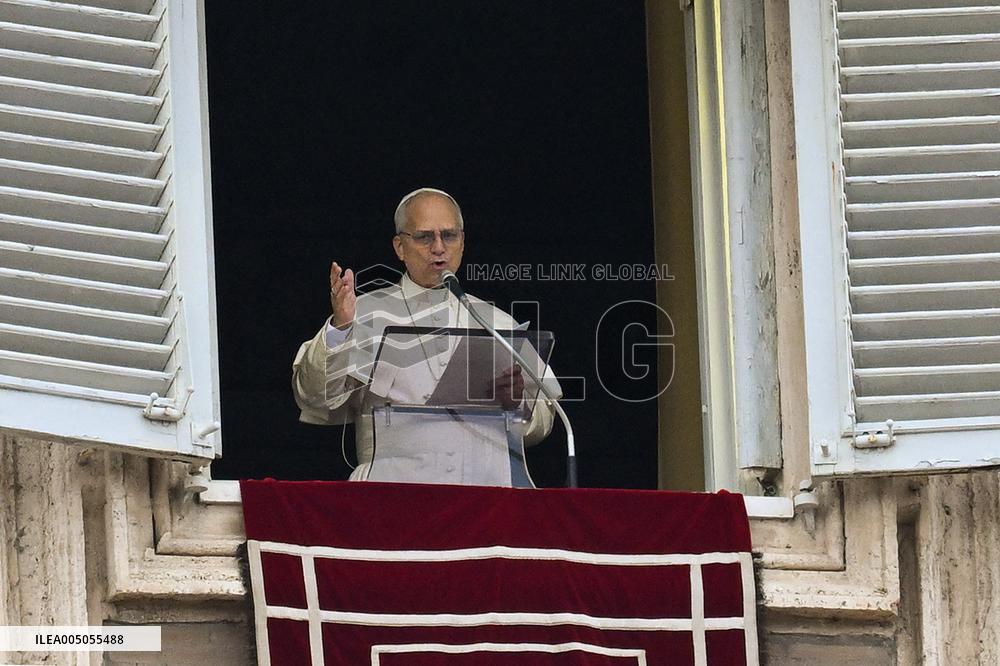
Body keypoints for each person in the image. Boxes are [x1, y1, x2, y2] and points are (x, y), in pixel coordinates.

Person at [292, 188, 558, 484]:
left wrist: (516, 403)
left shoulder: (494, 321)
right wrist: (341, 328)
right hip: (393, 495)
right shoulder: (368, 316)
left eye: (449, 235)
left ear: (463, 242)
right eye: (424, 237)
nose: (439, 247)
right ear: (399, 247)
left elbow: (544, 422)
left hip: (485, 496)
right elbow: (317, 398)